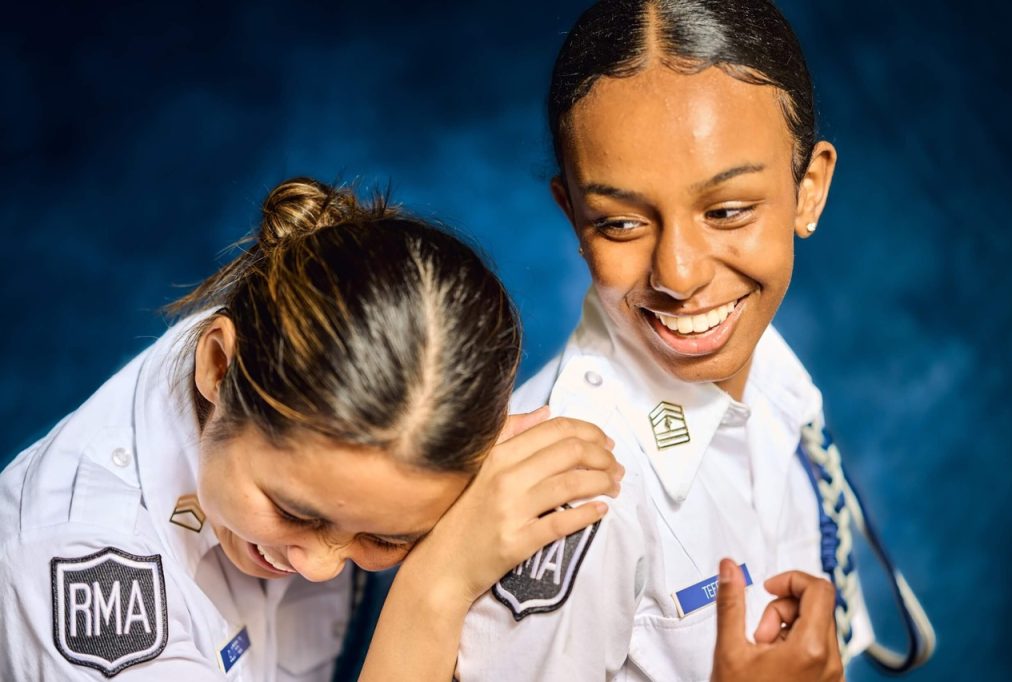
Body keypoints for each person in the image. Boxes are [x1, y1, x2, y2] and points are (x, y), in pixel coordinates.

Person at [455, 1, 936, 680]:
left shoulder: (776, 378)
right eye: (620, 224)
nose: (678, 274)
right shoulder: (572, 500)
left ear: (809, 191)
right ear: (572, 215)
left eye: (728, 211)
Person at [0, 177, 623, 680]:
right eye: (296, 512)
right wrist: (435, 589)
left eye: (384, 539)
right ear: (219, 368)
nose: (323, 566)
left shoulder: (347, 443)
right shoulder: (83, 563)